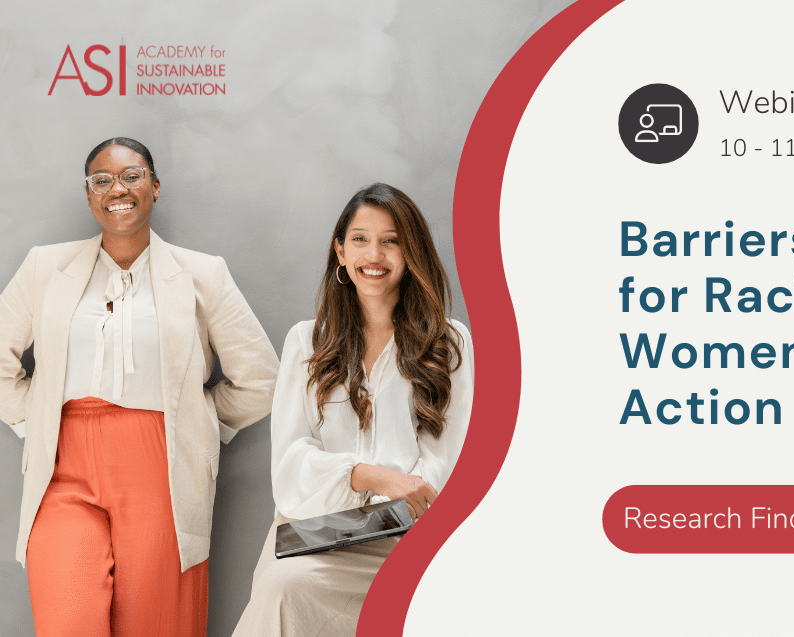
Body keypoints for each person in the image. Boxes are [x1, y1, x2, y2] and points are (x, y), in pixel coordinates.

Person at [0, 137, 280, 636]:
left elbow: (260, 378)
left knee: (156, 623)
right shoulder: (46, 267)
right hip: (63, 466)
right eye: (101, 180)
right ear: (89, 195)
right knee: (68, 620)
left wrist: (197, 422)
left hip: (162, 464)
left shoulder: (201, 273)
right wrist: (35, 413)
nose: (117, 189)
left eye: (131, 176)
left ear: (154, 186)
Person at [232, 183, 473, 636]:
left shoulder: (449, 342)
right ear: (340, 252)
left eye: (391, 240)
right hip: (316, 531)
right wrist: (371, 476)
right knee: (284, 589)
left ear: (410, 252)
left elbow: (445, 455)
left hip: (408, 535)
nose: (374, 254)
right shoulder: (306, 341)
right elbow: (290, 464)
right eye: (360, 239)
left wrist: (403, 499)